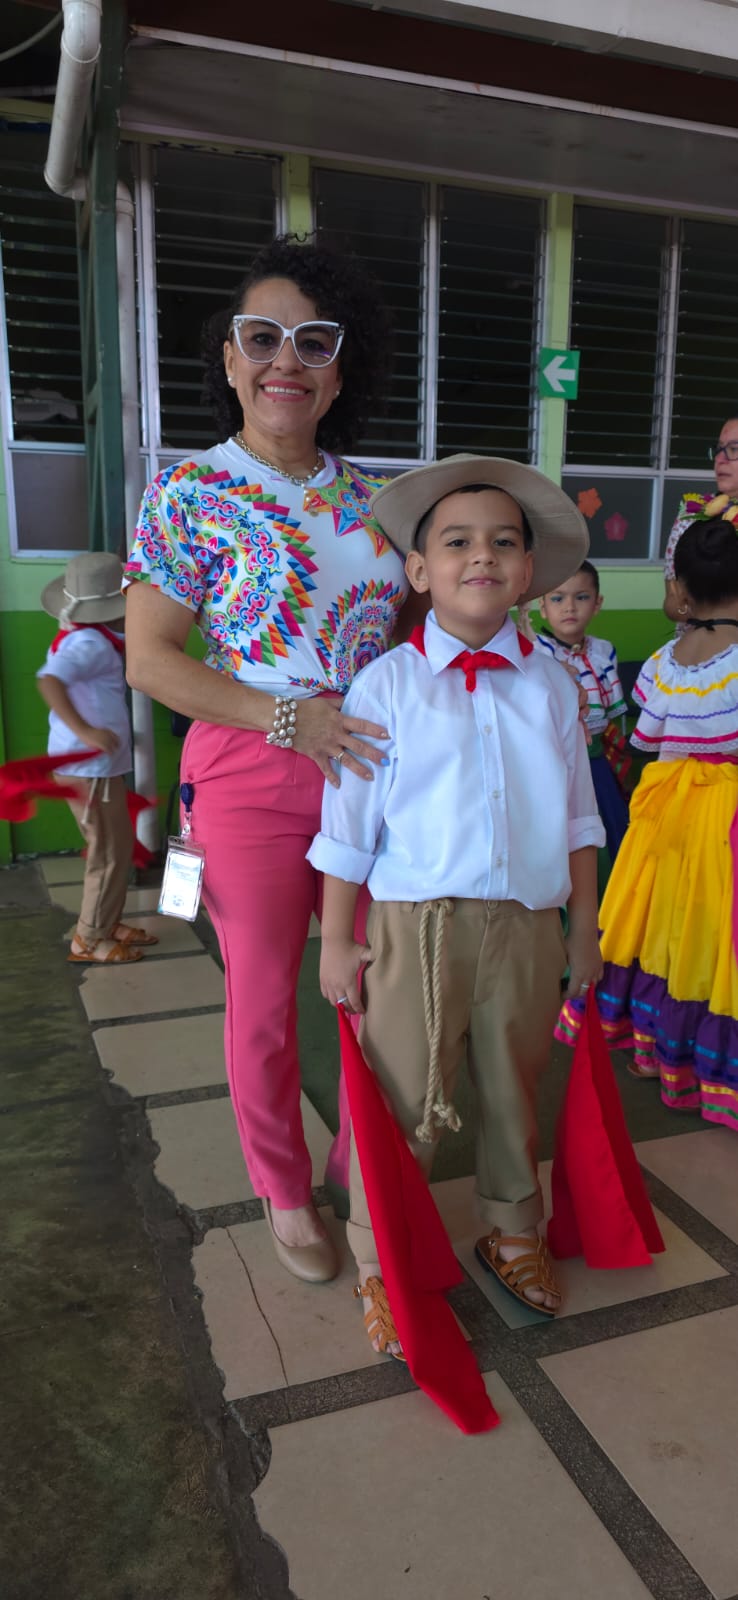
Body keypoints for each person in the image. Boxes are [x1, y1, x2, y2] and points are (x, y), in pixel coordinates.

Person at [124, 236, 414, 1284]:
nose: (285, 360)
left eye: (314, 341)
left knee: (378, 981)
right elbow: (154, 662)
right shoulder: (190, 493)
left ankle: (367, 1166)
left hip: (377, 771)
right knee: (261, 993)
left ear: (342, 369)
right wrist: (287, 720)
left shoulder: (383, 504)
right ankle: (285, 1186)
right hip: (252, 771)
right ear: (233, 360)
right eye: (263, 338)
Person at [308, 455, 605, 1357]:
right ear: (419, 570)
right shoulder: (387, 685)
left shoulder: (552, 683)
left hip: (523, 928)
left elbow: (580, 814)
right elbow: (349, 825)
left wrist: (582, 926)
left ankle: (512, 1231)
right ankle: (380, 1256)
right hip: (414, 935)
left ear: (529, 570)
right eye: (458, 542)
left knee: (514, 1088)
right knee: (401, 1098)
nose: (484, 556)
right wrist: (337, 939)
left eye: (504, 543)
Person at [556, 513, 738, 1130]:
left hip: (664, 812)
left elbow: (648, 736)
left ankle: (653, 1052)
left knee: (663, 923)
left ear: (680, 591)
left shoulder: (664, 660)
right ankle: (708, 1065)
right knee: (715, 937)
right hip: (726, 815)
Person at [37, 552, 157, 965]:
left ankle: (108, 923)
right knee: (107, 853)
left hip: (97, 768)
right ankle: (87, 939)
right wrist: (88, 733)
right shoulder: (87, 643)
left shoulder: (97, 638)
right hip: (88, 768)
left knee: (118, 847)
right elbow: (49, 681)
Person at [536, 560, 629, 874]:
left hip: (598, 761)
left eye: (582, 597)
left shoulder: (604, 651)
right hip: (556, 761)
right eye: (558, 598)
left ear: (598, 603)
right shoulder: (537, 653)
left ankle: (606, 909)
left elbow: (612, 720)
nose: (570, 607)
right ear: (542, 606)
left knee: (608, 828)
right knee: (563, 833)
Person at [663, 413, 738, 630]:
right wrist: (693, 607)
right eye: (719, 449)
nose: (720, 459)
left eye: (734, 449)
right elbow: (671, 604)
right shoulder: (691, 516)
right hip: (697, 651)